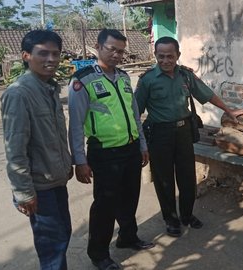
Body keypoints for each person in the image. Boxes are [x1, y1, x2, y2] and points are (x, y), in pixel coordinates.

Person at [135, 36, 243, 237]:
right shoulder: (147, 79)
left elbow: (207, 94)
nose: (166, 60)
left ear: (178, 55)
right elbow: (136, 112)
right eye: (161, 56)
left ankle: (187, 215)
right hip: (159, 134)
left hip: (183, 131)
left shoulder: (185, 76)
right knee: (164, 179)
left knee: (187, 176)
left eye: (170, 56)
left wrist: (228, 110)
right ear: (155, 55)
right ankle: (171, 219)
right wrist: (140, 143)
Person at [68, 29, 154, 270]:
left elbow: (135, 115)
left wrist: (142, 145)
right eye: (111, 49)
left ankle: (128, 237)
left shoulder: (125, 78)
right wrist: (80, 161)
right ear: (98, 47)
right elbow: (75, 124)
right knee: (105, 205)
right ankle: (99, 254)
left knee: (130, 197)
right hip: (104, 153)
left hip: (130, 149)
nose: (117, 55)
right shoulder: (82, 80)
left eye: (121, 51)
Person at [1, 30, 73, 270]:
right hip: (39, 187)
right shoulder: (19, 93)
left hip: (55, 180)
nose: (51, 59)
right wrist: (23, 192)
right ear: (26, 56)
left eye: (55, 53)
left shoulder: (49, 88)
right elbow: (15, 148)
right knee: (52, 246)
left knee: (62, 235)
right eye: (43, 53)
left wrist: (67, 164)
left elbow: (52, 136)